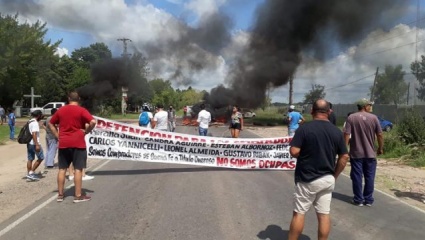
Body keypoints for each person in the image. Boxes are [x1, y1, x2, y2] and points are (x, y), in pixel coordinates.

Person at [288, 99, 349, 240]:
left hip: (307, 178)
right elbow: (344, 157)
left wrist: (308, 154)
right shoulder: (336, 131)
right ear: (329, 112)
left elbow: (294, 151)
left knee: (299, 213)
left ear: (311, 111)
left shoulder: (304, 129)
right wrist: (335, 175)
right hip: (327, 179)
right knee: (323, 214)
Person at [49, 91, 96, 203]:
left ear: (68, 98)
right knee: (78, 169)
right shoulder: (81, 110)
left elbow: (51, 123)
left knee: (62, 169)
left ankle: (60, 195)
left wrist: (57, 136)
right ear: (78, 99)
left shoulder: (61, 110)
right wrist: (86, 131)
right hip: (78, 143)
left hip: (64, 142)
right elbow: (93, 122)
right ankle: (78, 195)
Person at [343, 98, 384, 207]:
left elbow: (346, 134)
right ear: (365, 106)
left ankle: (358, 199)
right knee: (370, 177)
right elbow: (380, 134)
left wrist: (344, 150)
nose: (371, 107)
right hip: (370, 153)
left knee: (357, 176)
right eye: (369, 105)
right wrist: (380, 148)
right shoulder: (374, 118)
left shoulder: (351, 118)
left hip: (356, 153)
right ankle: (368, 199)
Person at [26, 110, 46, 181]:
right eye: (41, 115)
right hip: (34, 143)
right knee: (41, 157)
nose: (41, 116)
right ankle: (31, 173)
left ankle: (29, 174)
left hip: (29, 143)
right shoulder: (35, 123)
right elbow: (34, 134)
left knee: (30, 159)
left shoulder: (30, 121)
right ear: (38, 115)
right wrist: (37, 144)